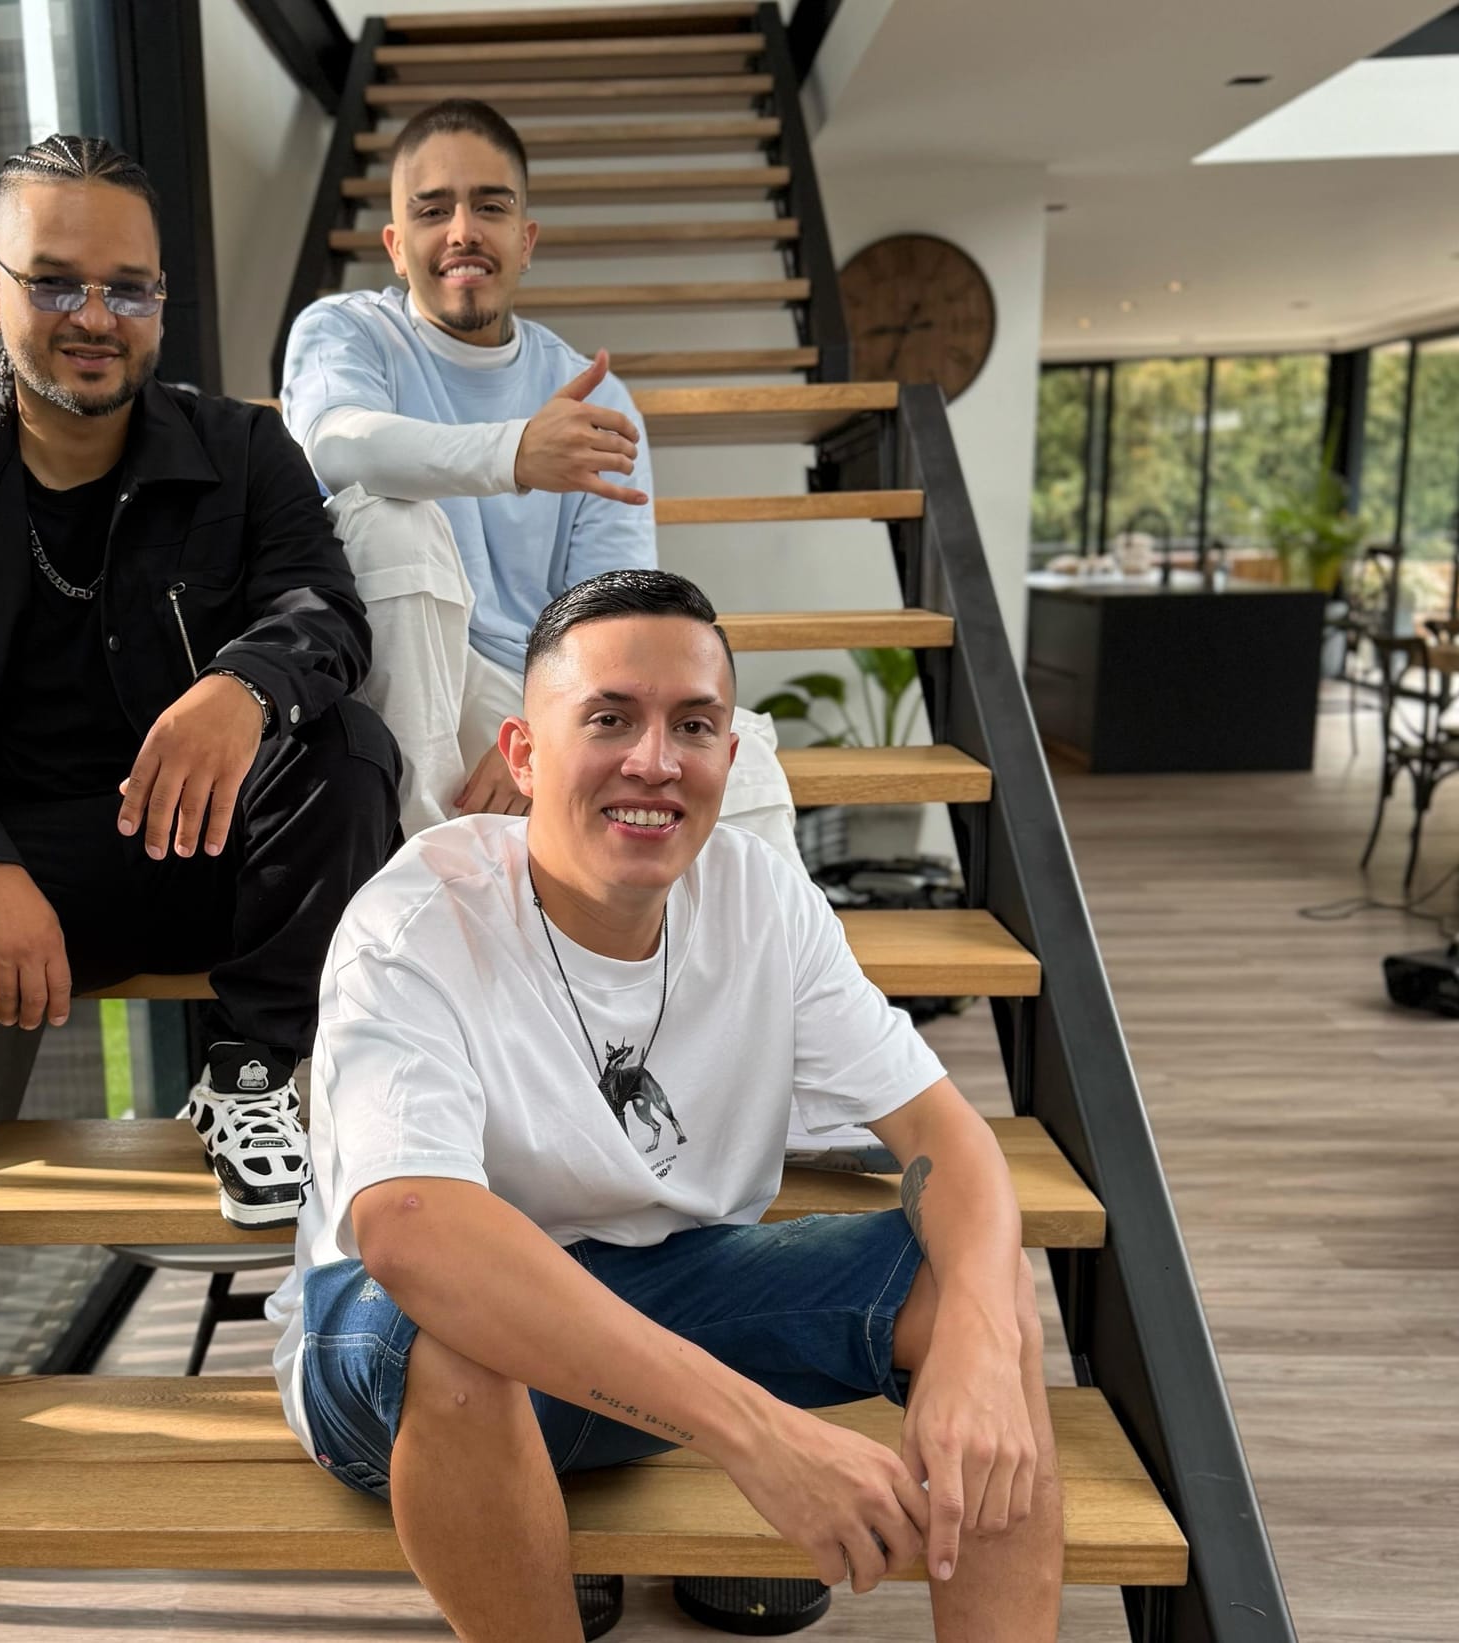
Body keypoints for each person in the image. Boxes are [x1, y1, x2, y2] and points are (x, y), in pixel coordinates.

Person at [0, 135, 398, 1548]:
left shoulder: (241, 451)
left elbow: (325, 611)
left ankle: (252, 1068)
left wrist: (244, 686)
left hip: (210, 855)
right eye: (56, 282)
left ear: (161, 303)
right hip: (10, 871)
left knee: (347, 754)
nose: (94, 317)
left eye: (129, 287)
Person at [265, 570, 1063, 1643]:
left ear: (728, 756)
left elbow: (941, 1135)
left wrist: (976, 1333)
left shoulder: (758, 895)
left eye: (692, 724)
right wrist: (759, 1434)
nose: (654, 760)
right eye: (609, 718)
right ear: (523, 755)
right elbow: (412, 1233)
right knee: (451, 1346)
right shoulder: (415, 921)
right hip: (399, 1358)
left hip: (662, 1303)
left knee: (980, 1283)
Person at [279, 97, 796, 862]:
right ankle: (431, 878)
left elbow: (615, 610)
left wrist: (543, 732)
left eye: (490, 206)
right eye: (433, 210)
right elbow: (337, 447)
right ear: (395, 246)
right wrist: (514, 453)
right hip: (403, 673)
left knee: (744, 770)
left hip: (538, 689)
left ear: (525, 241)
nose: (463, 230)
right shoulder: (348, 332)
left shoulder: (592, 398)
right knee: (389, 518)